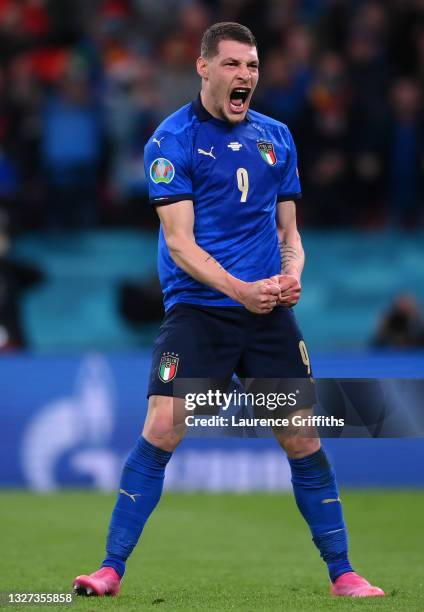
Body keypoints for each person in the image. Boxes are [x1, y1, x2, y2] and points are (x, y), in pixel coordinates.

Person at [73, 22, 384, 599]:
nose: (245, 77)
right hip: (199, 312)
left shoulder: (277, 138)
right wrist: (239, 289)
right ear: (204, 67)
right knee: (163, 427)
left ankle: (343, 574)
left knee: (302, 438)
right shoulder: (171, 140)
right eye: (234, 65)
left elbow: (291, 233)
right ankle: (109, 569)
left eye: (254, 67)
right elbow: (180, 244)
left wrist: (291, 274)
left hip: (266, 315)